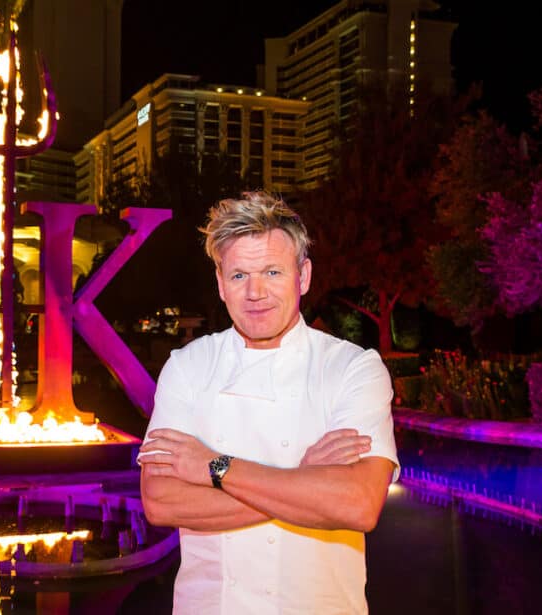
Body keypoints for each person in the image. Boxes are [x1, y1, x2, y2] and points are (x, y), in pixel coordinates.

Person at [138, 191, 399, 614]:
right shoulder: (187, 366)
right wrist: (303, 479)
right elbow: (161, 502)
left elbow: (359, 505)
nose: (255, 292)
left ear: (304, 276)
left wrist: (213, 466)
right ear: (221, 284)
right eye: (239, 275)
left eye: (273, 271)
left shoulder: (354, 368)